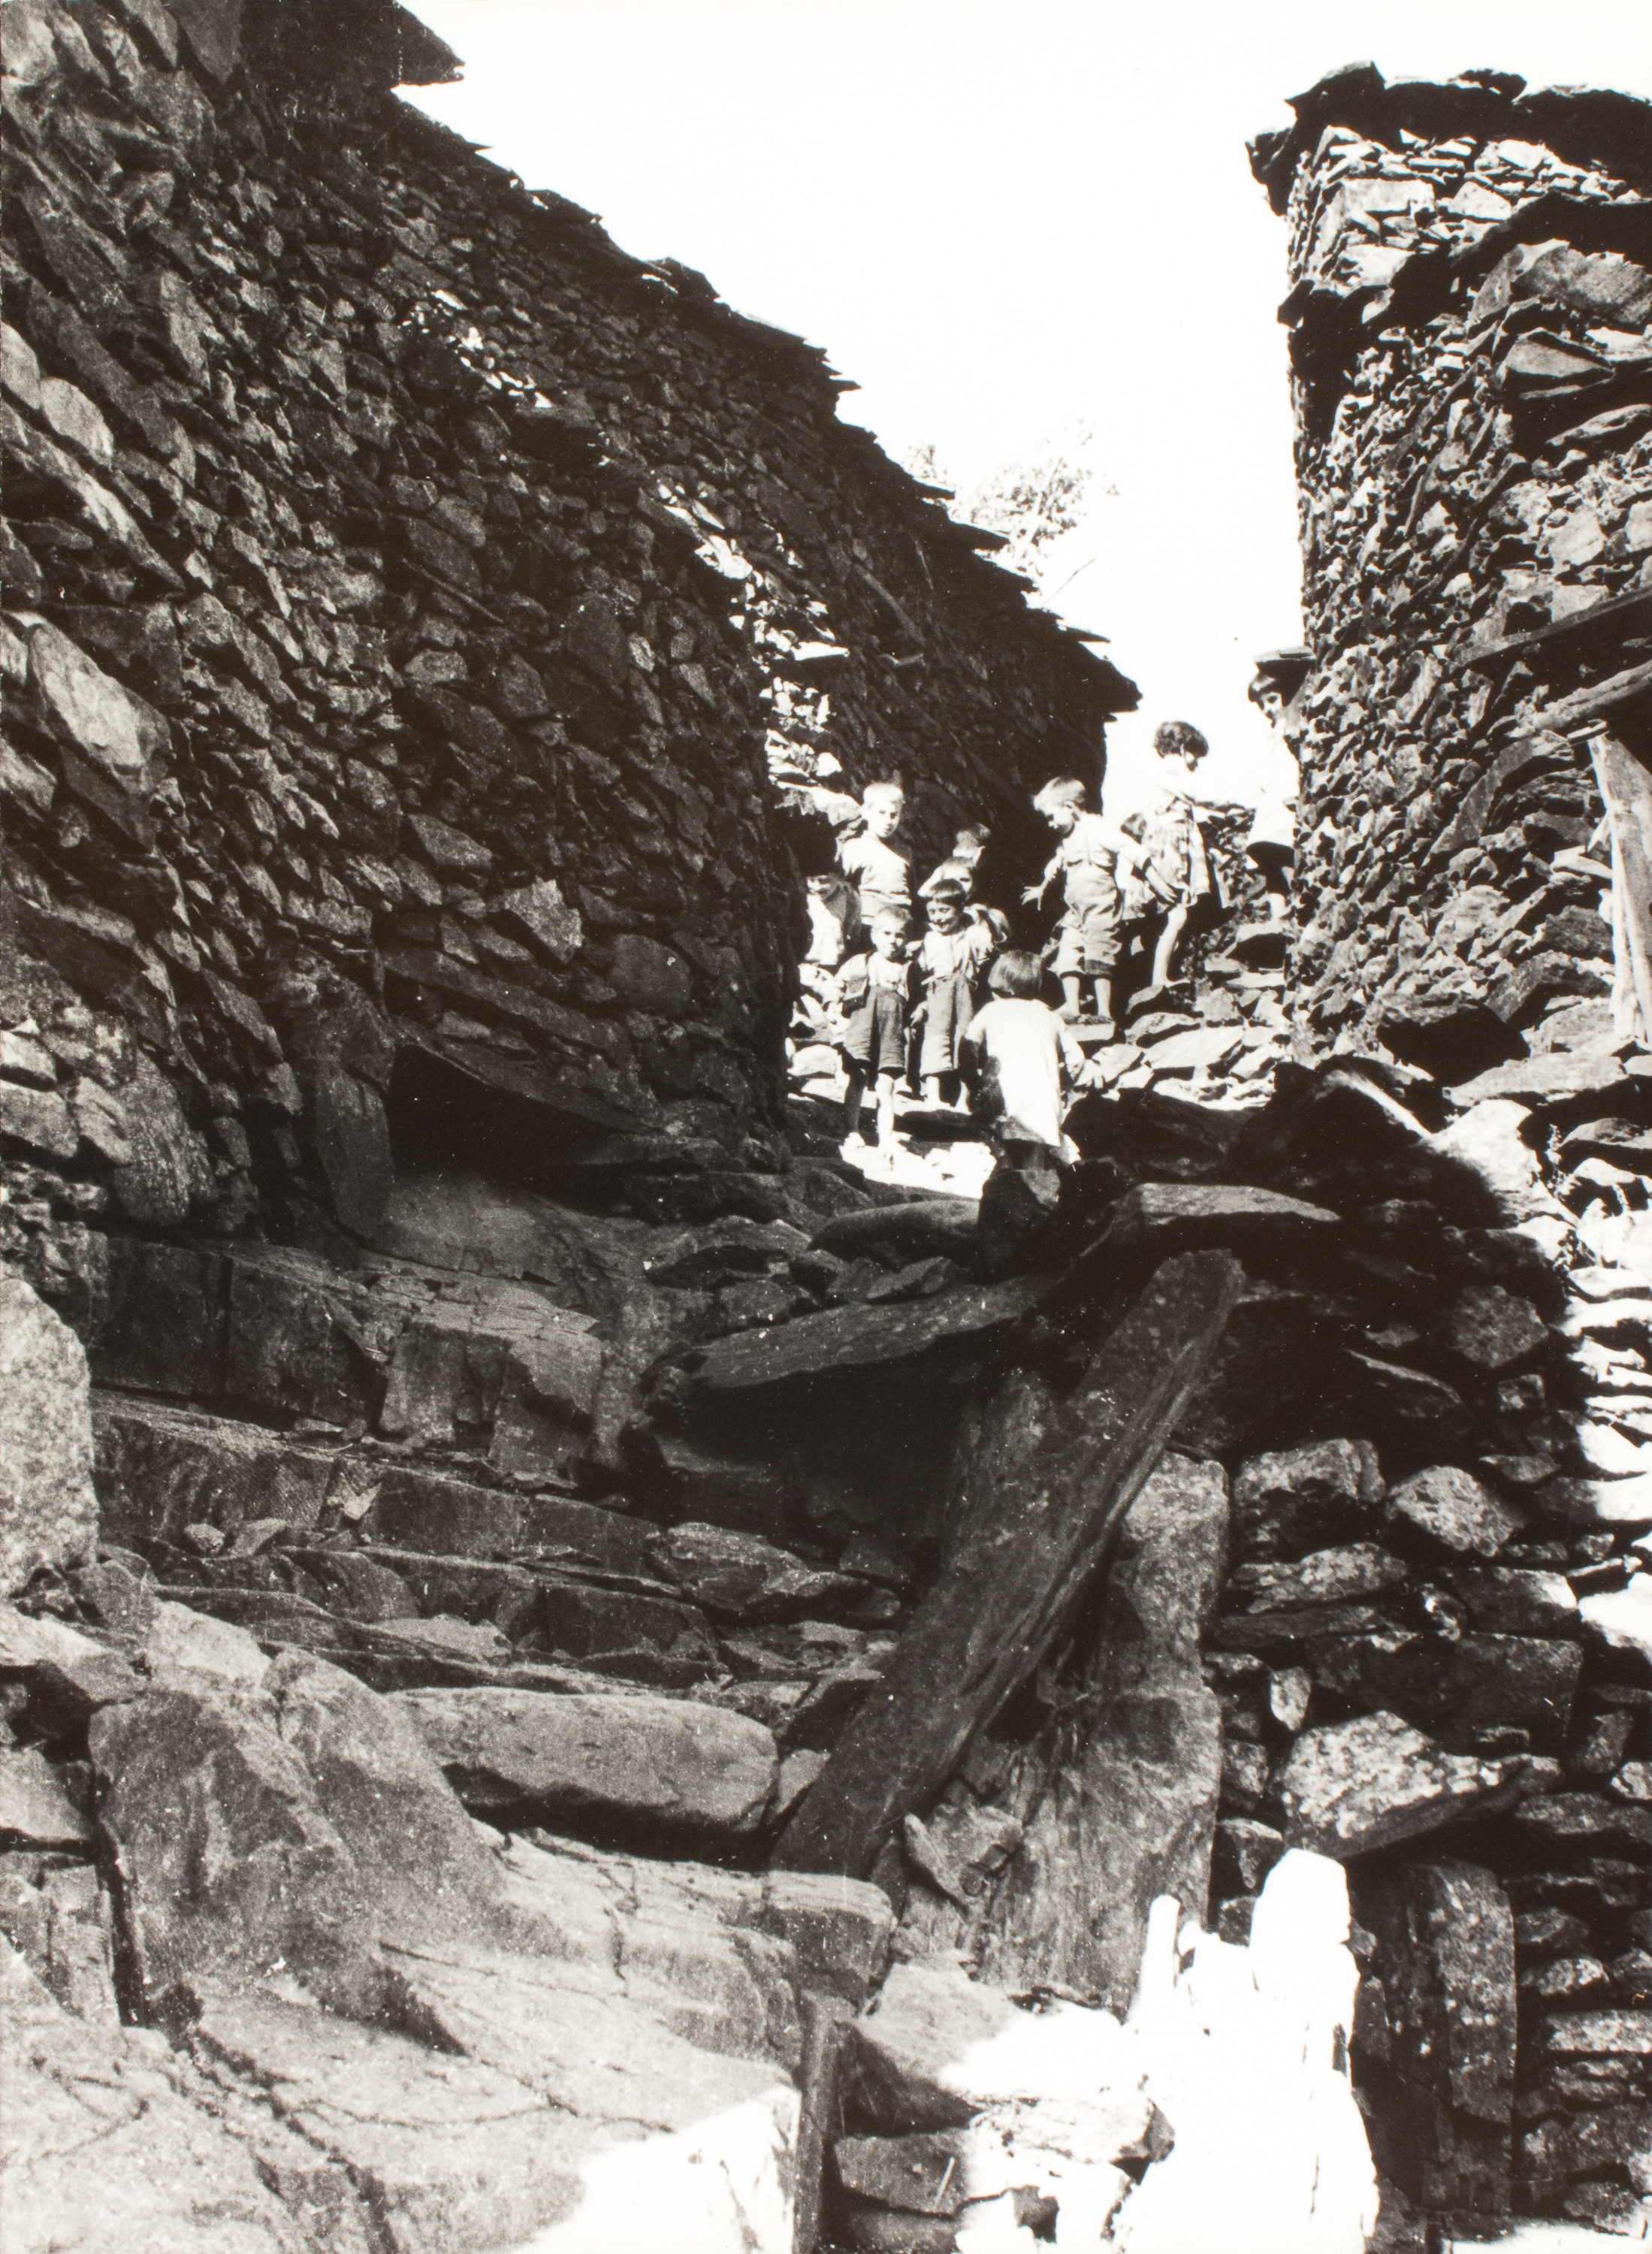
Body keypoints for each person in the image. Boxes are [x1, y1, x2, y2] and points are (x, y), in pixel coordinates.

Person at [1024, 776, 1142, 1032]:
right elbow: (1056, 865)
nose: (1050, 824)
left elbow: (1125, 845)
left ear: (1070, 807)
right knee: (1069, 952)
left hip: (1100, 905)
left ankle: (1103, 1012)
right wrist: (1043, 886)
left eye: (1052, 817)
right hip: (1076, 910)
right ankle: (1073, 1009)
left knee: (1100, 951)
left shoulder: (1098, 828)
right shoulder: (1068, 840)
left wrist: (1148, 865)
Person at [959, 949, 1083, 1174]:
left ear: (1004, 986)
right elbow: (1077, 1058)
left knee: (1006, 1150)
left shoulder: (992, 1009)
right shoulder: (1051, 1016)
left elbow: (968, 1044)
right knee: (1039, 1156)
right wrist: (1063, 1082)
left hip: (1005, 1094)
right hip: (1045, 1097)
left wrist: (972, 1082)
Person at [1128, 721, 1221, 992]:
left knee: (1167, 916)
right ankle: (1159, 979)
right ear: (1183, 748)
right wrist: (1233, 802)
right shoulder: (1173, 767)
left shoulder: (1160, 773)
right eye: (1195, 757)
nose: (1195, 764)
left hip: (1162, 846)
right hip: (1168, 850)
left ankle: (1156, 974)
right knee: (1177, 915)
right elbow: (1197, 794)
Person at [912, 875, 997, 1104]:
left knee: (965, 1040)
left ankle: (964, 1098)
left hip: (965, 993)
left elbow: (989, 948)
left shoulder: (972, 934)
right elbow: (919, 972)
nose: (938, 918)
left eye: (944, 910)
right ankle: (933, 1095)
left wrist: (979, 920)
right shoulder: (929, 939)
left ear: (960, 910)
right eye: (932, 912)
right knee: (935, 1038)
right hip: (937, 992)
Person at [837, 908, 913, 1153]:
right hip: (863, 1028)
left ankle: (886, 1136)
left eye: (900, 935)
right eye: (887, 933)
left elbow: (915, 1001)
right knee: (858, 1077)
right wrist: (832, 1007)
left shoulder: (907, 969)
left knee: (886, 1085)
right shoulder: (863, 961)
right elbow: (837, 984)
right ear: (874, 935)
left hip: (890, 1033)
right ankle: (851, 1129)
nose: (893, 940)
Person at [1245, 659, 1306, 921]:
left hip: (1285, 796)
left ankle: (1298, 896)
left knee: (1280, 849)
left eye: (1271, 700)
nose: (1266, 709)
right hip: (1272, 799)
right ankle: (1277, 911)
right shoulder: (1274, 729)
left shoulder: (1290, 722)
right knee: (1266, 851)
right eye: (1261, 705)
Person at [835, 781, 913, 937]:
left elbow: (911, 893)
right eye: (881, 813)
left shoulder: (904, 852)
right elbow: (839, 886)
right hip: (870, 925)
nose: (888, 821)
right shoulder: (856, 847)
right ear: (865, 812)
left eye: (894, 815)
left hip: (901, 926)